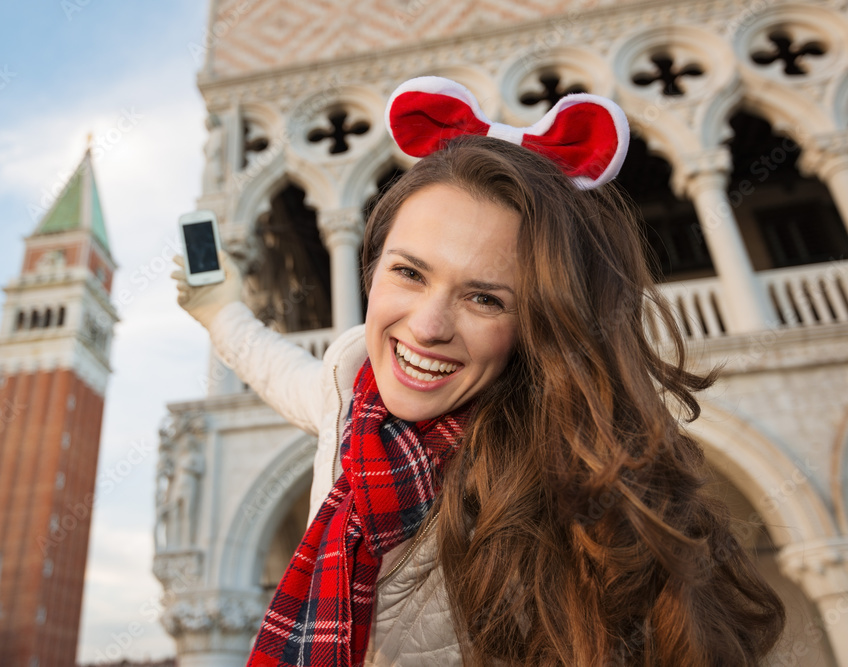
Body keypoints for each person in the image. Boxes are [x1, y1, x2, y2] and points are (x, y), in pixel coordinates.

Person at [173, 77, 785, 666]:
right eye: (409, 272)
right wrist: (220, 310)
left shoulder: (575, 484)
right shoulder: (350, 388)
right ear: (373, 262)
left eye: (485, 299)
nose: (428, 325)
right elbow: (283, 372)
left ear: (542, 322)